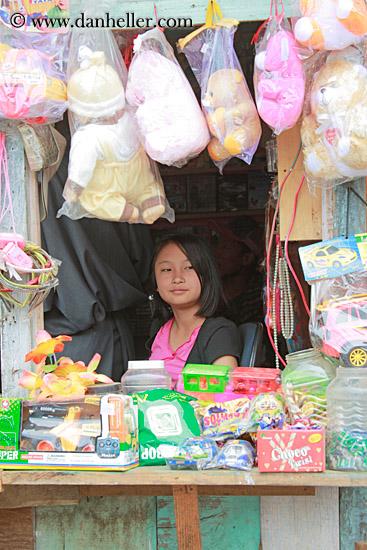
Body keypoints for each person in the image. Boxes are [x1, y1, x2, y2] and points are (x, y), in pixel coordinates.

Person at [146, 233, 241, 389]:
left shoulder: (218, 332)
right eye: (166, 269)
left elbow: (225, 391)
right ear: (155, 282)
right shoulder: (159, 330)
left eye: (189, 267)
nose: (177, 278)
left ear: (206, 276)